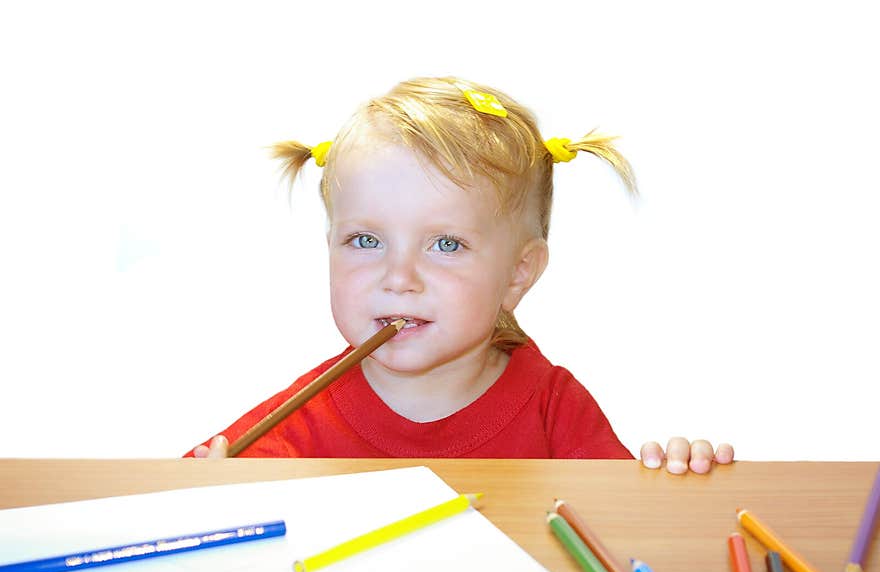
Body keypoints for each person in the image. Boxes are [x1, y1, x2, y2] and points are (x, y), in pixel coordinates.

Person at [185, 76, 734, 474]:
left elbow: (619, 533)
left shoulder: (552, 408)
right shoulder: (300, 418)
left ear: (519, 273)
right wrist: (205, 491)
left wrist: (673, 482)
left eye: (446, 245)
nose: (399, 277)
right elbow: (182, 497)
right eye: (366, 241)